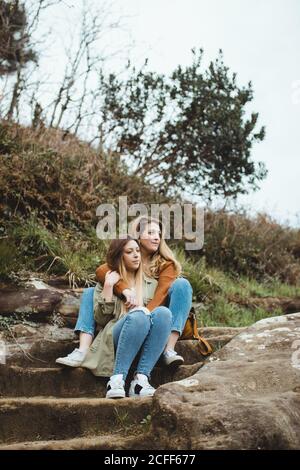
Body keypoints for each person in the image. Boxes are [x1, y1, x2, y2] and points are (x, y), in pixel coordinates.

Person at [56, 216, 193, 369]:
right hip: (126, 311)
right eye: (151, 233)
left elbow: (161, 294)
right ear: (138, 236)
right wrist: (124, 289)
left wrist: (143, 316)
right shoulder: (129, 254)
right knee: (89, 292)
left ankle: (168, 349)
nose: (156, 238)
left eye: (159, 234)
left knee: (182, 284)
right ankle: (82, 349)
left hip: (158, 313)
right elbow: (102, 270)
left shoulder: (165, 264)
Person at [81, 236, 173, 398]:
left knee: (164, 313)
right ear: (119, 256)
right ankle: (116, 380)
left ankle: (140, 381)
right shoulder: (108, 281)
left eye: (138, 251)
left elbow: (158, 319)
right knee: (138, 316)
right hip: (116, 337)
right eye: (130, 252)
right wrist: (109, 286)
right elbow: (101, 320)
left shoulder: (151, 283)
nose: (136, 255)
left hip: (144, 341)